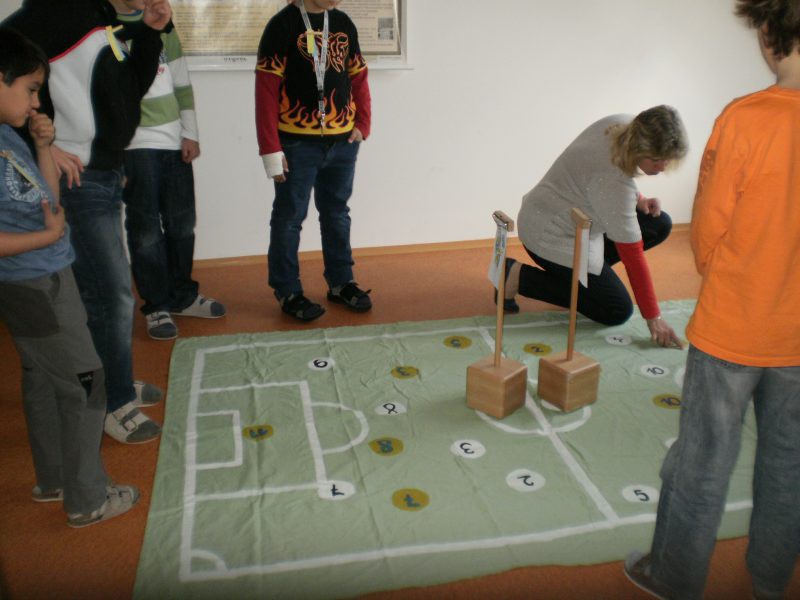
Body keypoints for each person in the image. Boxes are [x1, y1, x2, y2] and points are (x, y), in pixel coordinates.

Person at [624, 2, 800, 598]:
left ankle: (672, 577)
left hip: (733, 328)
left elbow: (707, 231)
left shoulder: (745, 118)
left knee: (701, 458)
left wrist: (722, 272)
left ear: (770, 33)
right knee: (789, 463)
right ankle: (771, 582)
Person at [2, 0, 172, 444]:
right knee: (112, 294)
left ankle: (115, 378)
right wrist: (41, 145)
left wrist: (149, 34)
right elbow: (8, 63)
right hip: (78, 177)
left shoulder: (105, 21)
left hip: (105, 171)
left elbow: (127, 95)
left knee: (104, 293)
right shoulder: (64, 9)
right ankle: (113, 402)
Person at [0, 28, 139, 527]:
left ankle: (54, 479)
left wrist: (43, 145)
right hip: (36, 283)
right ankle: (88, 500)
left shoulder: (8, 136)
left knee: (42, 376)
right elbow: (44, 223)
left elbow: (48, 199)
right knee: (86, 382)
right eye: (31, 89)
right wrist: (48, 236)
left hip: (45, 276)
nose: (37, 101)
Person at [508, 106, 688, 348]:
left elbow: (605, 177)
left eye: (667, 159)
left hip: (566, 214)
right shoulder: (612, 181)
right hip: (550, 234)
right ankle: (516, 276)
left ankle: (585, 283)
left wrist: (639, 199)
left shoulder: (624, 125)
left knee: (659, 223)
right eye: (656, 159)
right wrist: (653, 318)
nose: (663, 166)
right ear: (638, 148)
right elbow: (632, 257)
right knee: (616, 309)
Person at [112, 0, 226, 341]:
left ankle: (183, 297)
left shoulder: (165, 24)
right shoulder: (105, 26)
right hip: (134, 144)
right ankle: (156, 305)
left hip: (174, 140)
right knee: (146, 229)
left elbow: (182, 82)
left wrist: (190, 133)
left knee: (182, 224)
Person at [255, 0, 373, 322]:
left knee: (337, 213)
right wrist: (270, 149)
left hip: (343, 143)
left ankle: (341, 282)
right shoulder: (282, 25)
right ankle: (288, 290)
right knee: (289, 217)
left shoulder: (343, 23)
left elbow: (359, 76)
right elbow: (266, 90)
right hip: (296, 145)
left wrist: (363, 124)